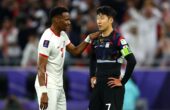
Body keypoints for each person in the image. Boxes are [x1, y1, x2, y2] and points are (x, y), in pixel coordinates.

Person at [34, 7, 100, 110]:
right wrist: (43, 91)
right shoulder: (47, 39)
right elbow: (41, 68)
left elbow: (75, 51)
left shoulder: (63, 35)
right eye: (66, 19)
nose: (69, 22)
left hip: (59, 85)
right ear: (56, 19)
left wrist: (89, 38)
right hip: (48, 85)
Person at [89, 6, 136, 110]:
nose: (99, 21)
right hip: (98, 88)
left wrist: (122, 82)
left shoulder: (118, 39)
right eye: (97, 18)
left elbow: (132, 61)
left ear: (110, 20)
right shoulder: (96, 39)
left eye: (102, 18)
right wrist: (92, 75)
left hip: (112, 88)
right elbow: (92, 58)